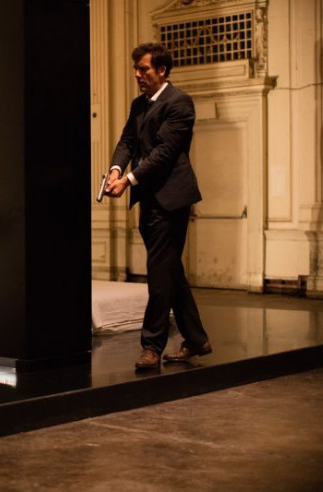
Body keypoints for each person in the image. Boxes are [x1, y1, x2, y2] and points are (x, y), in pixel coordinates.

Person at [104, 43, 211, 369]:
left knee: (159, 273)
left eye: (144, 69)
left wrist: (128, 180)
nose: (138, 74)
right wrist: (116, 169)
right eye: (136, 69)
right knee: (170, 271)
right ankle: (197, 339)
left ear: (162, 70)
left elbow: (164, 152)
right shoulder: (139, 104)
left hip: (172, 200)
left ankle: (151, 346)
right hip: (149, 199)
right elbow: (127, 141)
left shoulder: (179, 102)